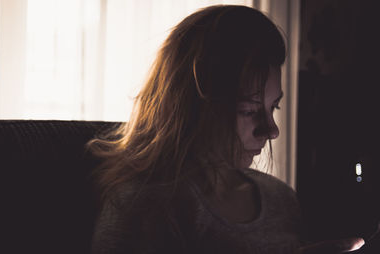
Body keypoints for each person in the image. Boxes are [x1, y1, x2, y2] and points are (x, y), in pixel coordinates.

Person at [88, 5, 365, 254]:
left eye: (274, 107)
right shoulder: (146, 207)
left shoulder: (281, 199)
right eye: (248, 110)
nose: (272, 130)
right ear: (190, 108)